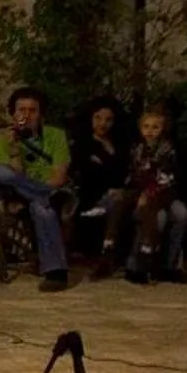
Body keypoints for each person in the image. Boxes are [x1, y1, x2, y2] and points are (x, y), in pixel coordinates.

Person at [0, 86, 74, 292]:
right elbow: (13, 176)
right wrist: (15, 148)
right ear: (13, 113)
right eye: (21, 110)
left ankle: (56, 274)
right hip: (23, 193)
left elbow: (59, 176)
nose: (26, 115)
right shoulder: (1, 141)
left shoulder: (55, 136)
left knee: (42, 208)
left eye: (32, 110)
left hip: (50, 190)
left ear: (41, 114)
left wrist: (41, 191)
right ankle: (43, 196)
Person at [102, 106, 187, 283]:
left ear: (162, 128)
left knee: (182, 214)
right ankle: (136, 265)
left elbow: (167, 177)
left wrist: (149, 192)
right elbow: (133, 176)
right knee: (157, 217)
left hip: (165, 194)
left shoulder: (169, 149)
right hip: (141, 196)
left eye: (155, 127)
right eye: (146, 127)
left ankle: (170, 265)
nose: (150, 131)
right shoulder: (137, 149)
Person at [68, 97, 127, 259]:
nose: (103, 123)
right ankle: (107, 249)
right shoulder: (83, 144)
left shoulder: (121, 144)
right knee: (115, 200)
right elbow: (85, 175)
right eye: (98, 118)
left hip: (123, 192)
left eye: (108, 119)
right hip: (94, 195)